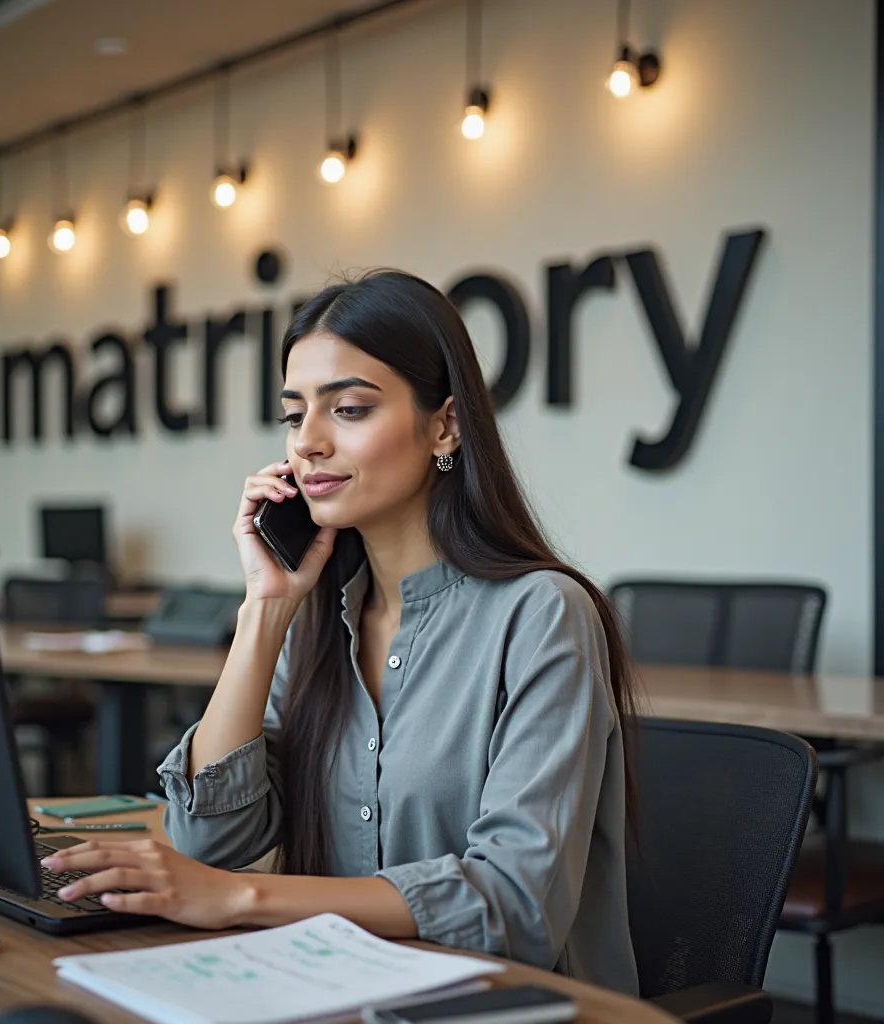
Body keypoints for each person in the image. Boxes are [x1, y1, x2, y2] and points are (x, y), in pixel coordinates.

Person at [41, 269, 639, 994]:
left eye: (349, 409)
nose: (310, 443)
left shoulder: (543, 612)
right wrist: (266, 606)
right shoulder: (318, 619)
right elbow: (211, 840)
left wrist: (240, 899)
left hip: (503, 1005)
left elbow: (515, 904)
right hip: (337, 992)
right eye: (295, 417)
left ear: (445, 424)